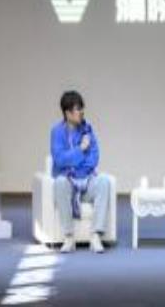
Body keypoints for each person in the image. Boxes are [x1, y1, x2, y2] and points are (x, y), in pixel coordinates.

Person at [50, 90, 110, 253]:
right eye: (78, 109)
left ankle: (95, 236)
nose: (82, 112)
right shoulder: (57, 132)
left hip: (86, 181)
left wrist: (74, 163)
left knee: (104, 181)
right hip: (68, 184)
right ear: (67, 113)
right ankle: (69, 237)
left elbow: (94, 158)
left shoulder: (87, 130)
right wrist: (81, 149)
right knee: (60, 182)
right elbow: (59, 160)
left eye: (82, 108)